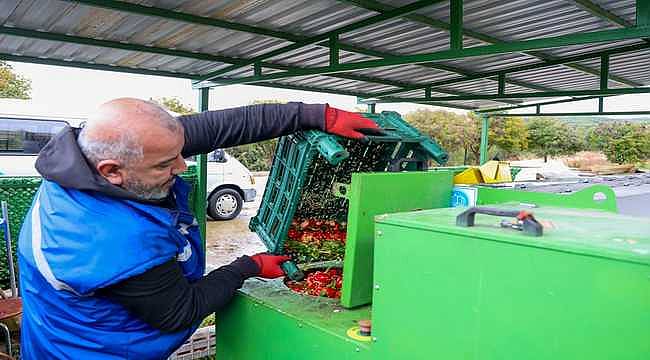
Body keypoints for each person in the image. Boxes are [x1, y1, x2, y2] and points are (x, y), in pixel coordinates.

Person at [17, 98, 379, 359]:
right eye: (165, 164)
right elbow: (180, 311)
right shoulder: (109, 240)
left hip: (62, 323)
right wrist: (247, 268)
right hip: (91, 350)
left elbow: (221, 127)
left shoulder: (96, 155)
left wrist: (315, 114)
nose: (181, 164)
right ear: (112, 171)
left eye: (180, 152)